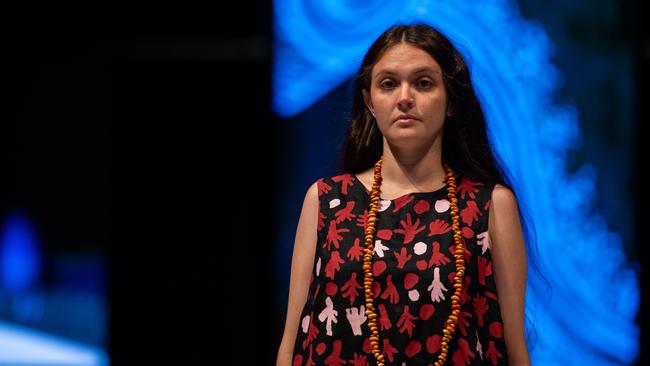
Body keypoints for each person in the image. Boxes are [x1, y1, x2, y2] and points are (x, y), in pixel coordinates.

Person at [277, 22, 531, 366]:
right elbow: (292, 343)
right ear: (369, 101)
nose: (405, 98)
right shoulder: (325, 202)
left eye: (423, 83)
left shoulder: (490, 206)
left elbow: (514, 350)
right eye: (388, 84)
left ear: (452, 100)